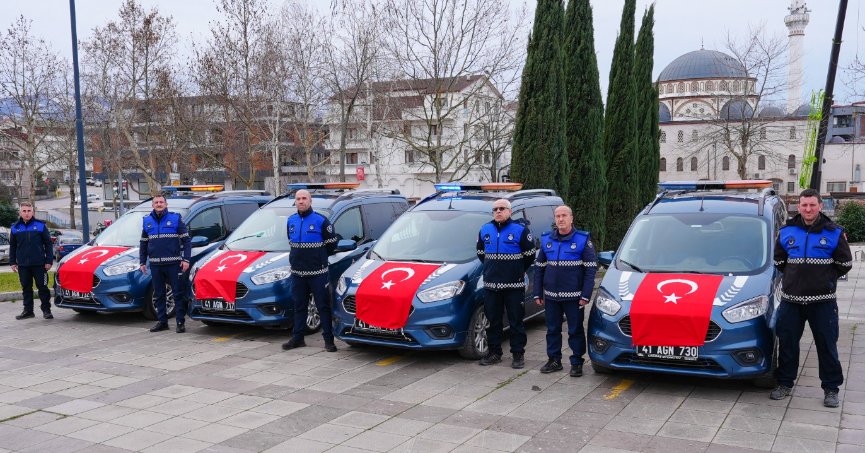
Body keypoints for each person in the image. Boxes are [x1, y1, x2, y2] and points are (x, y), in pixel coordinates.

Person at [772, 188, 852, 408]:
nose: (808, 209)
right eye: (804, 205)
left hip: (823, 303)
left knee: (827, 346)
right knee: (787, 345)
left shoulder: (834, 232)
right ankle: (785, 384)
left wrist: (822, 278)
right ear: (799, 206)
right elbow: (779, 261)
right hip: (791, 302)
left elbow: (845, 264)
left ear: (820, 206)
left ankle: (831, 389)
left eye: (812, 205)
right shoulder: (786, 231)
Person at [533, 206, 597, 377]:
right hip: (552, 297)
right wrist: (538, 292)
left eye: (564, 216)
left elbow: (591, 270)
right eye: (558, 216)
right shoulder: (547, 239)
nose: (560, 219)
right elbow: (539, 268)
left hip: (575, 297)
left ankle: (576, 362)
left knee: (575, 330)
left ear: (571, 218)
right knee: (552, 329)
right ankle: (554, 360)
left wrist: (586, 295)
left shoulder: (583, 239)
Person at [476, 199, 536, 368]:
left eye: (502, 208)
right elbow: (481, 253)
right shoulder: (484, 229)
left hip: (513, 287)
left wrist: (517, 270)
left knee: (516, 321)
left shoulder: (520, 230)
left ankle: (518, 355)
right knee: (493, 321)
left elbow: (530, 255)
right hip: (491, 286)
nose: (498, 211)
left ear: (510, 211)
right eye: (495, 209)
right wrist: (491, 270)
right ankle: (494, 353)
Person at [282, 189, 339, 352]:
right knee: (299, 306)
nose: (301, 201)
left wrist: (318, 259)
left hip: (317, 274)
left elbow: (332, 245)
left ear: (310, 200)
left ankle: (329, 340)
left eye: (304, 198)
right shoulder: (291, 220)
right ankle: (298, 338)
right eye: (298, 199)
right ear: (295, 202)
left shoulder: (321, 221)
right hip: (298, 274)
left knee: (323, 307)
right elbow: (291, 241)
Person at [139, 194, 191, 333]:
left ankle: (180, 322)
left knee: (178, 294)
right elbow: (143, 243)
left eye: (161, 202)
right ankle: (162, 322)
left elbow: (186, 241)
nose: (159, 204)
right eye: (156, 202)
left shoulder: (175, 218)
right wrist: (142, 261)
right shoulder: (147, 221)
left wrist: (186, 259)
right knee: (159, 294)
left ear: (166, 204)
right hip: (155, 265)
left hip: (174, 264)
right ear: (152, 205)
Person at [10, 202, 54, 320]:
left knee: (43, 288)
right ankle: (28, 311)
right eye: (24, 211)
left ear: (32, 212)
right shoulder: (15, 228)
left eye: (29, 211)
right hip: (23, 265)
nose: (27, 213)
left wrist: (49, 260)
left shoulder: (40, 226)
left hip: (40, 265)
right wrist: (12, 262)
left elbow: (48, 244)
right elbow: (13, 246)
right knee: (26, 288)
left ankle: (46, 310)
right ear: (20, 213)